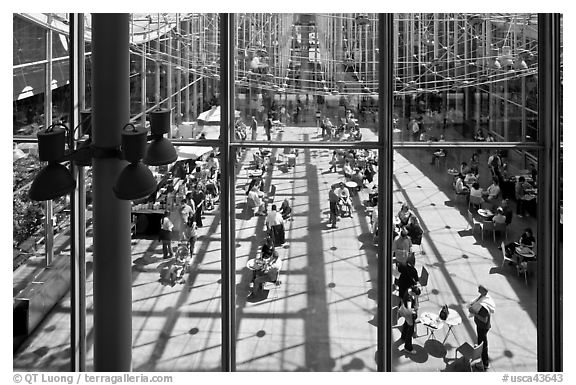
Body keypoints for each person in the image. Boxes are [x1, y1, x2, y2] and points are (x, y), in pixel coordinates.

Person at [468, 285, 496, 369]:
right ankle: (482, 360)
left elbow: (484, 319)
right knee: (481, 343)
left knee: (483, 346)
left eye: (480, 288)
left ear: (484, 290)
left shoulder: (484, 306)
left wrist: (474, 312)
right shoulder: (483, 297)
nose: (478, 288)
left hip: (482, 327)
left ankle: (485, 363)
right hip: (481, 326)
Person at [398, 286, 419, 355]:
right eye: (416, 295)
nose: (416, 296)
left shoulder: (408, 290)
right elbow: (410, 309)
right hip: (408, 314)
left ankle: (403, 336)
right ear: (413, 293)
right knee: (410, 330)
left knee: (406, 325)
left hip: (403, 310)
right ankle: (408, 347)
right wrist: (414, 311)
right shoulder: (409, 299)